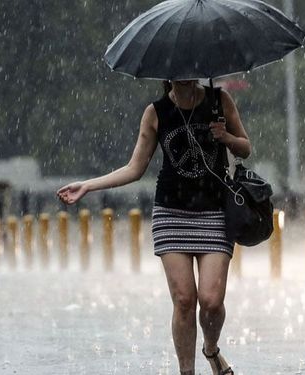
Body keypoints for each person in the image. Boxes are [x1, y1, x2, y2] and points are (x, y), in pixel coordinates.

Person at [57, 80, 251, 375]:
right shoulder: (156, 112)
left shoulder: (219, 101)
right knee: (184, 300)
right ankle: (187, 371)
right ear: (167, 74)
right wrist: (88, 185)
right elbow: (135, 168)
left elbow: (245, 148)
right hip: (171, 213)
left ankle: (211, 350)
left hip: (214, 212)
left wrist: (225, 137)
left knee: (211, 301)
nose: (182, 75)